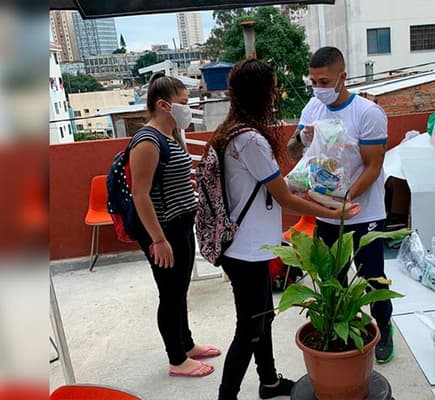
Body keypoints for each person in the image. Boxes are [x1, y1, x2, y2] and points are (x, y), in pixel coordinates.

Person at [210, 59, 360, 400]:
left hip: (251, 247)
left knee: (262, 322)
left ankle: (269, 383)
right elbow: (285, 199)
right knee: (249, 329)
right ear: (261, 94)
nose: (276, 96)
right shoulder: (249, 140)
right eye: (273, 88)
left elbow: (281, 187)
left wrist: (332, 205)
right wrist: (329, 210)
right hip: (245, 252)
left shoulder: (234, 132)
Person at [287, 47, 395, 364]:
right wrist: (302, 140)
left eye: (324, 80)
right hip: (327, 213)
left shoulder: (367, 113)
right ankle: (341, 327)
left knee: (373, 277)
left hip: (364, 213)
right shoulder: (312, 108)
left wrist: (347, 201)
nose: (317, 87)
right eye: (313, 81)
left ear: (342, 77)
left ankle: (384, 327)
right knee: (333, 277)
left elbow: (373, 166)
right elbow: (296, 156)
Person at [130, 73, 221, 378]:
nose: (188, 108)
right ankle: (176, 359)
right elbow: (140, 194)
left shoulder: (172, 136)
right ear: (163, 105)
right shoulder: (148, 140)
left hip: (181, 225)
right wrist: (158, 239)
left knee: (180, 289)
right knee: (169, 293)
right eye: (183, 103)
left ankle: (187, 344)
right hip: (163, 230)